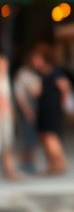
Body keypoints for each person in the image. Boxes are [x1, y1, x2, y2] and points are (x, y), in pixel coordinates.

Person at [29, 43, 70, 176]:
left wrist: (62, 104)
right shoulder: (39, 73)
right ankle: (52, 164)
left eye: (37, 58)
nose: (34, 61)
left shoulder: (55, 71)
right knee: (44, 136)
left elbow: (65, 87)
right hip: (43, 107)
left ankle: (59, 163)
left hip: (53, 108)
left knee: (50, 136)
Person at [12, 51, 41, 174]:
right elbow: (19, 95)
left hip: (34, 106)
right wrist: (27, 110)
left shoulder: (36, 74)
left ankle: (29, 161)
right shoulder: (23, 73)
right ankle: (26, 161)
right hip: (26, 108)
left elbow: (37, 92)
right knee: (28, 135)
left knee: (32, 135)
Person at [0, 51, 18, 180]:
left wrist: (11, 114)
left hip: (6, 117)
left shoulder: (5, 78)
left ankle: (9, 171)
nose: (4, 66)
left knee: (8, 145)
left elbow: (8, 98)